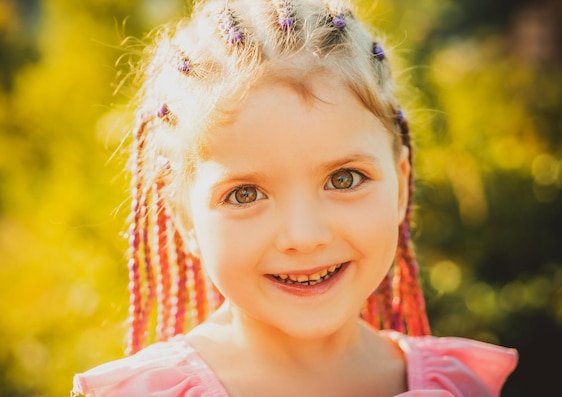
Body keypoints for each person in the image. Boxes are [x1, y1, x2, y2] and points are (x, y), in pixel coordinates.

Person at [72, 0, 518, 395]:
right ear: (185, 220)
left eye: (344, 179)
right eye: (245, 194)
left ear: (400, 187)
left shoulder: (460, 385)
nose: (304, 237)